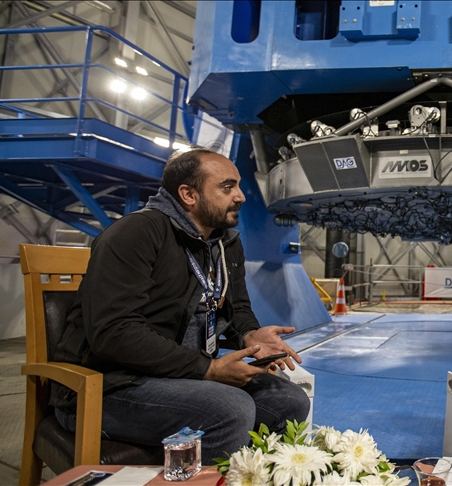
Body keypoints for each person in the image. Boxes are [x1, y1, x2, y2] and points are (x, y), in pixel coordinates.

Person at [51, 147, 310, 462]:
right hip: (110, 384)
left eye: (239, 186)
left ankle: (254, 477)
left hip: (179, 376)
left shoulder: (226, 243)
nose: (241, 196)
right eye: (227, 187)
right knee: (230, 409)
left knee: (290, 401)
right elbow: (113, 332)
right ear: (188, 195)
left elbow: (238, 308)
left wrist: (250, 335)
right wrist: (208, 368)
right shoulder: (134, 234)